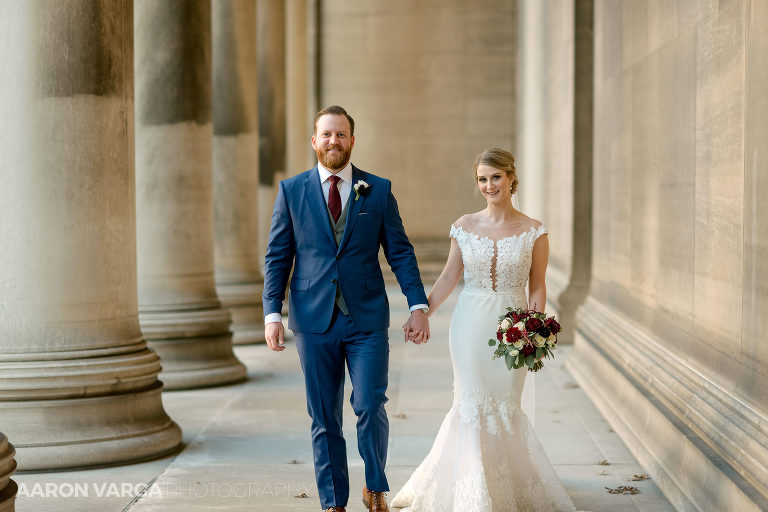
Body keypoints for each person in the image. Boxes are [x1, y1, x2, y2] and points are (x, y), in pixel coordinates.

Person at [263, 105, 431, 512]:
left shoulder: (378, 189)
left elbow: (401, 253)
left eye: (341, 134)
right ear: (314, 141)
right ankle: (333, 503)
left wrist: (418, 304)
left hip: (366, 317)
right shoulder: (291, 191)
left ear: (352, 140)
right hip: (312, 319)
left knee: (371, 403)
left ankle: (375, 486)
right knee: (324, 417)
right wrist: (273, 313)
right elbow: (277, 256)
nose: (333, 141)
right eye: (326, 135)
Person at [392, 148, 577, 511]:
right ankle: (470, 490)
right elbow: (449, 276)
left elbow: (537, 285)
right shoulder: (464, 226)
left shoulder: (534, 231)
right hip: (470, 326)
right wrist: (422, 312)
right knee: (470, 404)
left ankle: (505, 484)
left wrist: (533, 324)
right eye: (482, 179)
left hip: (514, 327)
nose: (489, 185)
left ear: (511, 178)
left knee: (506, 405)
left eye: (495, 177)